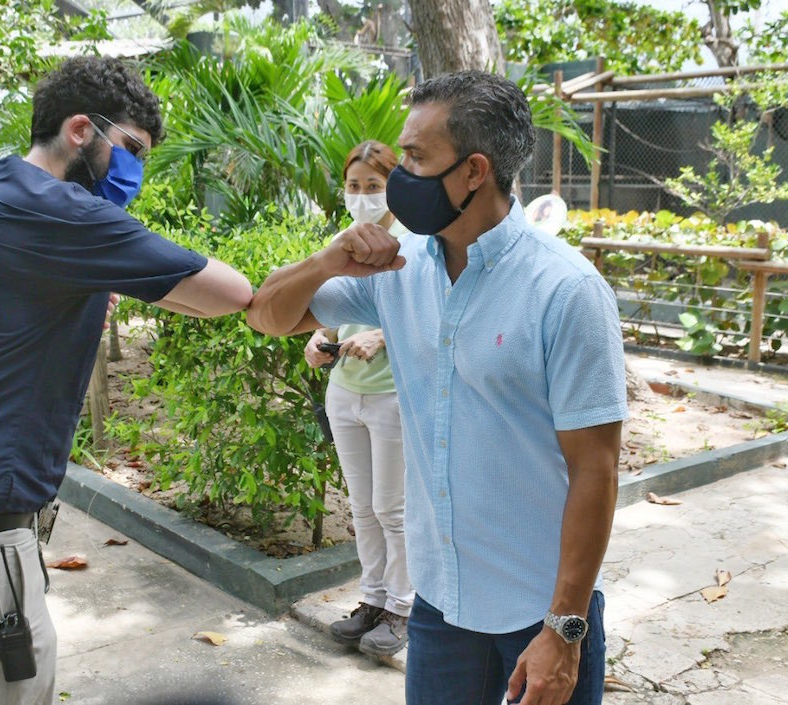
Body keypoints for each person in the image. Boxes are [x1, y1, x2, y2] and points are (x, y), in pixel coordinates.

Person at [0, 56, 253, 705]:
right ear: (80, 129)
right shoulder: (63, 214)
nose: (135, 171)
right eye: (129, 149)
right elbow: (230, 293)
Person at [247, 70, 627, 705]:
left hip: (539, 611)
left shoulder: (565, 290)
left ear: (474, 171)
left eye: (417, 158)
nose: (400, 177)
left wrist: (564, 629)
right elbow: (267, 314)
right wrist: (327, 259)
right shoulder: (394, 269)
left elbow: (597, 469)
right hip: (441, 600)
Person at [304, 140, 413, 656]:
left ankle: (403, 608)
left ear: (395, 186)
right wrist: (317, 338)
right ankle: (371, 600)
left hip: (393, 396)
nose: (363, 197)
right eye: (354, 187)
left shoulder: (416, 243)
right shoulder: (341, 243)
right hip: (344, 392)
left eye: (374, 187)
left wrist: (381, 335)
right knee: (362, 507)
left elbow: (433, 315)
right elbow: (328, 308)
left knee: (394, 508)